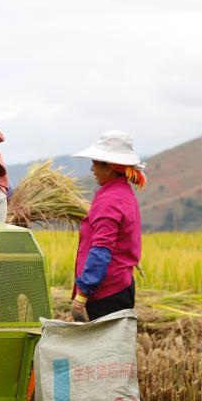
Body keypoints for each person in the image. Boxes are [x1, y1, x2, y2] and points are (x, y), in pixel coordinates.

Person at [70, 131, 145, 322]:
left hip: (105, 294)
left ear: (109, 167)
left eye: (95, 163)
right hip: (119, 287)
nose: (92, 169)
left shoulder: (110, 200)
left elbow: (101, 251)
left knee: (99, 342)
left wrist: (82, 295)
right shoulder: (123, 193)